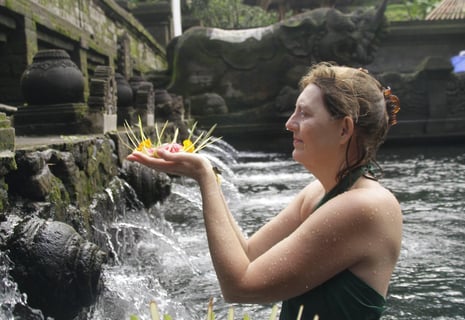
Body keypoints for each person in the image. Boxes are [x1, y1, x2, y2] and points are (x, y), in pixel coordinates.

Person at [127, 62, 403, 320]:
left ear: (344, 129)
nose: (289, 123)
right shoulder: (316, 193)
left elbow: (240, 286)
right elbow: (248, 254)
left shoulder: (366, 205)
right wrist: (206, 176)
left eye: (304, 114)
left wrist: (204, 175)